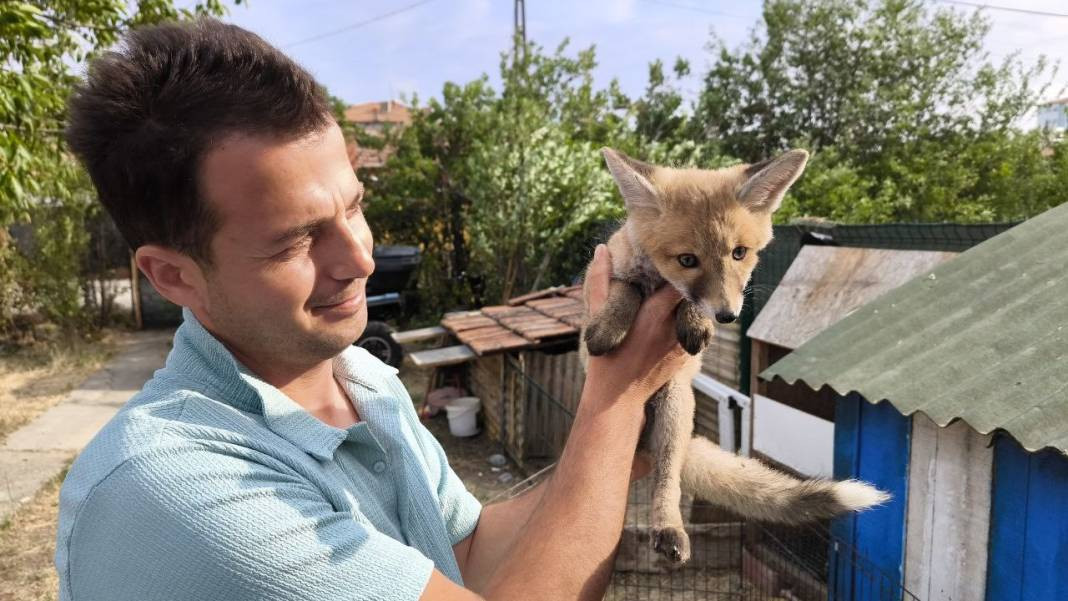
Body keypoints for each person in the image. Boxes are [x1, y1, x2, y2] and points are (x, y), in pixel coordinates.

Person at [56, 17, 688, 601]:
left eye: (354, 207)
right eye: (295, 241)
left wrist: (621, 448)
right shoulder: (177, 488)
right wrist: (615, 398)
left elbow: (467, 553)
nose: (359, 259)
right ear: (173, 276)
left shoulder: (368, 385)